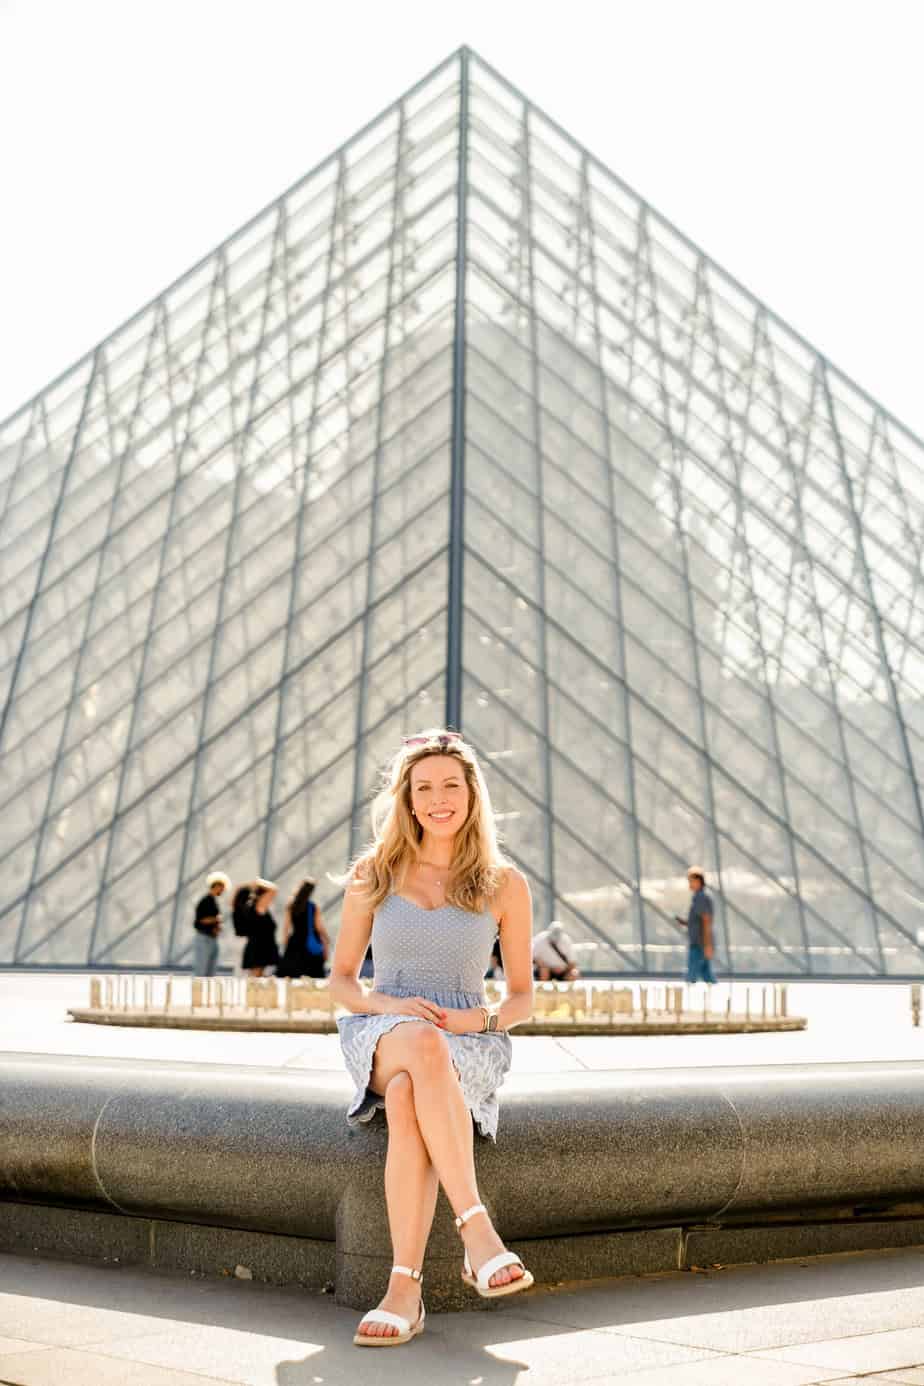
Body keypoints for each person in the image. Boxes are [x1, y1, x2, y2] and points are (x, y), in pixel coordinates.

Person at [330, 728, 535, 1348]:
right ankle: (476, 1231)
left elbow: (522, 998)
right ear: (407, 800)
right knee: (418, 1043)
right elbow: (341, 983)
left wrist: (483, 1021)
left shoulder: (505, 885)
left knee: (407, 1100)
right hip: (382, 1029)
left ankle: (403, 1290)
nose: (438, 798)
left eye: (451, 785)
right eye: (424, 788)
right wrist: (388, 1003)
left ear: (472, 794)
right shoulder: (375, 874)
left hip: (467, 1039)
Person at [278, 877, 330, 979]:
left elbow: (286, 928)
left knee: (292, 974)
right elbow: (319, 927)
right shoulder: (313, 907)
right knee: (314, 975)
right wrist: (326, 939)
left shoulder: (291, 905)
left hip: (295, 943)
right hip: (310, 943)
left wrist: (285, 942)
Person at [675, 866, 717, 983]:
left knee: (691, 976)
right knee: (707, 975)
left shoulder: (701, 897)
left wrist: (707, 945)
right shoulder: (699, 897)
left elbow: (706, 921)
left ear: (698, 881)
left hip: (699, 944)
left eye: (690, 881)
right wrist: (685, 923)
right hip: (700, 943)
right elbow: (699, 921)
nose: (689, 884)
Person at [192, 871, 230, 976]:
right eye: (222, 887)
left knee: (210, 972)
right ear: (216, 886)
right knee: (201, 971)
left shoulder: (214, 901)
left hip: (212, 938)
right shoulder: (205, 901)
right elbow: (200, 920)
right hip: (204, 939)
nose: (223, 890)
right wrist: (216, 919)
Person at [241, 878, 280, 976]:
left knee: (258, 978)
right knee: (255, 978)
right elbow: (274, 889)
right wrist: (257, 883)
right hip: (258, 949)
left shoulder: (255, 907)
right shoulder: (259, 906)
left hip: (260, 948)